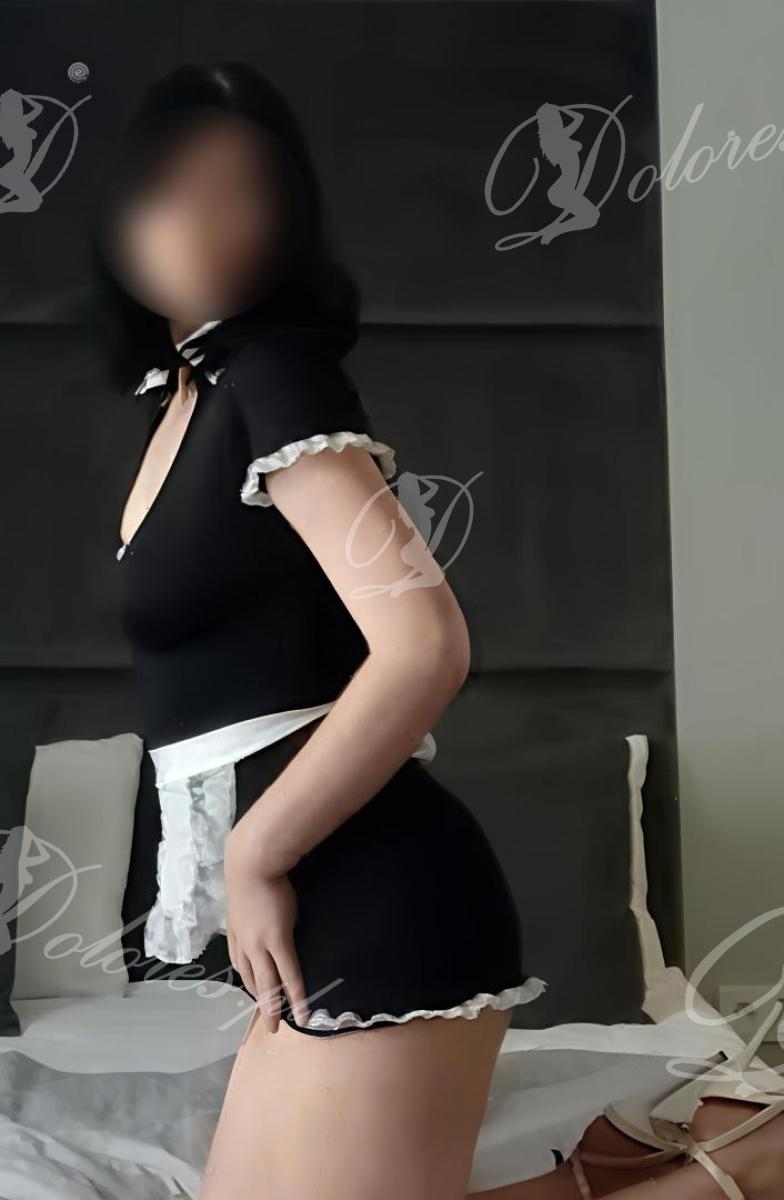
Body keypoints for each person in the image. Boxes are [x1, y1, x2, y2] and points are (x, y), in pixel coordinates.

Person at [87, 60, 548, 1199]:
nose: (205, 219)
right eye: (171, 188)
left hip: (380, 894)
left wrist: (255, 853)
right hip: (318, 916)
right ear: (118, 215)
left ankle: (742, 1158)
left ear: (287, 221)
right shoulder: (185, 395)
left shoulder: (275, 380)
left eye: (244, 190)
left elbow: (425, 644)